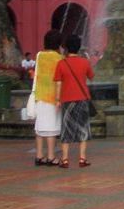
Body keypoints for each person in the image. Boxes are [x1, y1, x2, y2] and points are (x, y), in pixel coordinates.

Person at [53, 34, 94, 168]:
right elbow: (91, 77)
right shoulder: (84, 62)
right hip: (82, 99)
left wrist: (57, 100)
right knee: (83, 128)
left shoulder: (61, 63)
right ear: (78, 47)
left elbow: (58, 83)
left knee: (66, 129)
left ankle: (65, 159)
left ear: (66, 48)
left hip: (67, 100)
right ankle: (82, 159)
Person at [33, 29, 64, 166]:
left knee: (39, 127)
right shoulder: (59, 59)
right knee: (51, 127)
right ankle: (51, 156)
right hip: (53, 97)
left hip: (39, 95)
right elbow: (59, 80)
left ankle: (39, 155)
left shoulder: (39, 55)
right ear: (58, 43)